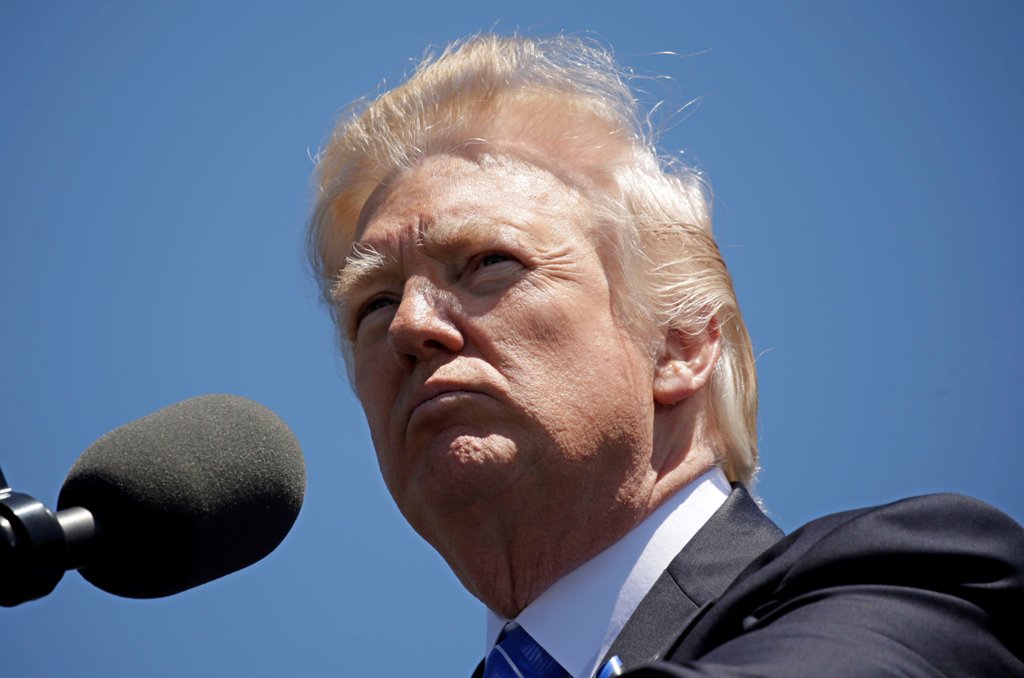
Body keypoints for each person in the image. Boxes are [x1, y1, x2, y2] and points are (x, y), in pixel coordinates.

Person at [307, 34, 1024, 677]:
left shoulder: (914, 585)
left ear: (679, 342)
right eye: (373, 304)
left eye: (489, 262)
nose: (410, 325)